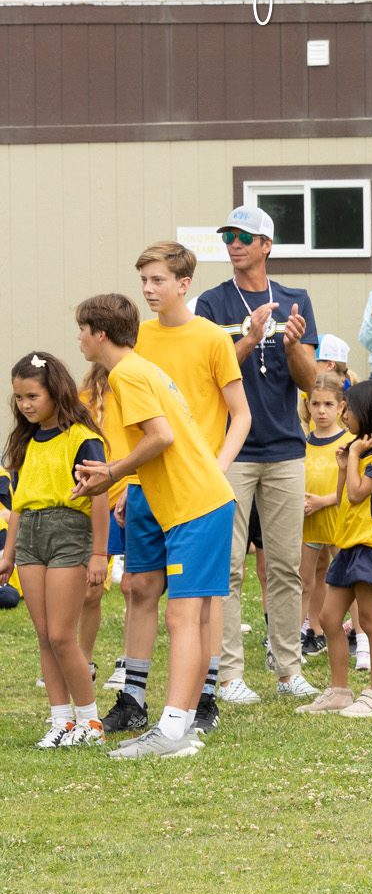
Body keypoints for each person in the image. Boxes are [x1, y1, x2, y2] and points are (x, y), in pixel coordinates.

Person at [73, 292, 238, 759]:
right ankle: (180, 728)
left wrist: (112, 471)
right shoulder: (140, 368)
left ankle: (170, 729)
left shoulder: (126, 374)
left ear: (100, 334)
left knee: (182, 617)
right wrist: (125, 478)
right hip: (202, 503)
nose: (79, 339)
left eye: (82, 330)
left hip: (195, 506)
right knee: (193, 617)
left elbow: (161, 437)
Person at [120, 241, 252, 736]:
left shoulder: (213, 338)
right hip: (146, 485)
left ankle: (204, 697)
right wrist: (123, 480)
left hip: (197, 492)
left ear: (183, 284)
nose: (149, 289)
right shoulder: (137, 338)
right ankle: (132, 698)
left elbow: (241, 414)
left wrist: (218, 467)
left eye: (158, 280)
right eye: (144, 280)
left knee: (202, 597)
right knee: (140, 587)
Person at [193, 206, 321, 703]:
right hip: (232, 452)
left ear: (267, 245)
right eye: (228, 235)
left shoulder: (295, 299)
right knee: (228, 568)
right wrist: (248, 339)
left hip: (286, 448)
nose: (233, 243)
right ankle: (228, 675)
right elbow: (207, 376)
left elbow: (310, 383)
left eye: (243, 236)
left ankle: (289, 669)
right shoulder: (212, 302)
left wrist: (292, 346)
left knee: (287, 566)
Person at [1, 352, 109, 749]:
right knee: (45, 636)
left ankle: (90, 722)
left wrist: (99, 554)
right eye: (19, 398)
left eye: (32, 396)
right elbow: (18, 504)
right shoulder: (25, 440)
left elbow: (100, 497)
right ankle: (61, 720)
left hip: (68, 533)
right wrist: (8, 554)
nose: (25, 405)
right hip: (30, 536)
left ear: (55, 392)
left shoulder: (83, 438)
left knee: (63, 636)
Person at [295, 380, 372, 718]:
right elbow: (345, 494)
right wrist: (345, 467)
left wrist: (354, 456)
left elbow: (358, 494)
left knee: (371, 621)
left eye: (349, 409)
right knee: (329, 618)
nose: (344, 415)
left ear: (368, 414)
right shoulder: (362, 452)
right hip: (350, 544)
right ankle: (340, 691)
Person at [297, 372, 351, 661]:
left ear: (341, 406)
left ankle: (362, 639)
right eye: (315, 404)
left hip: (339, 521)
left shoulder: (349, 441)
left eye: (328, 404)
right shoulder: (302, 442)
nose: (321, 411)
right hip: (309, 522)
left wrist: (324, 501)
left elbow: (354, 486)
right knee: (305, 580)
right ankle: (302, 635)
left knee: (349, 580)